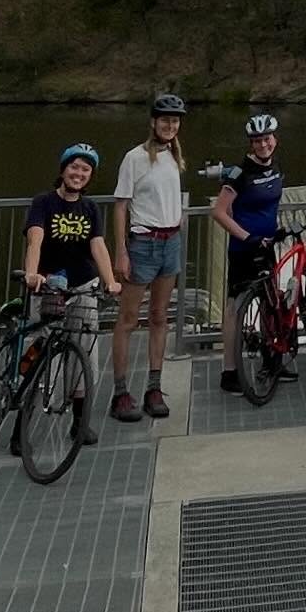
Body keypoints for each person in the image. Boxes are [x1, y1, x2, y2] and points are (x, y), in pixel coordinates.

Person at [14, 142, 121, 453]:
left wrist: (110, 280)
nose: (79, 173)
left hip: (82, 286)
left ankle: (79, 421)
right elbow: (36, 239)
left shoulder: (89, 208)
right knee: (37, 353)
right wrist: (32, 274)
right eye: (74, 167)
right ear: (63, 170)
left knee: (85, 354)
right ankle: (20, 427)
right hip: (49, 286)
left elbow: (98, 246)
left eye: (85, 170)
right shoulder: (43, 203)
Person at [110, 94, 187, 422]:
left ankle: (154, 386)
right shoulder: (135, 158)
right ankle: (120, 391)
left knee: (159, 318)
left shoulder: (173, 156)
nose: (170, 125)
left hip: (170, 241)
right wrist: (121, 250)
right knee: (128, 320)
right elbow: (121, 204)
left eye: (175, 120)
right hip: (143, 243)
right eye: (164, 120)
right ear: (153, 122)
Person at [210, 113, 285, 395]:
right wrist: (247, 236)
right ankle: (229, 371)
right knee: (233, 310)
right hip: (244, 249)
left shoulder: (276, 166)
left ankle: (272, 360)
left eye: (266, 139)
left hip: (268, 247)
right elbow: (218, 211)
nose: (263, 145)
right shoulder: (239, 173)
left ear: (274, 140)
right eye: (257, 141)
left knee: (271, 304)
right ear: (251, 144)